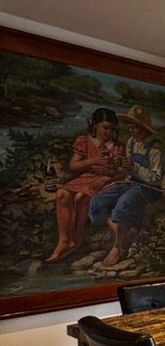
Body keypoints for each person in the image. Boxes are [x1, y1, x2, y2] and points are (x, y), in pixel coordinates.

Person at [89, 105, 165, 267]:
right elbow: (127, 170)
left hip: (149, 188)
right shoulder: (131, 142)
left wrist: (134, 167)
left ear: (144, 128)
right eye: (130, 127)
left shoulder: (155, 148)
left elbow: (156, 179)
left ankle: (117, 248)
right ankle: (124, 233)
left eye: (136, 128)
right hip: (131, 182)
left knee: (124, 203)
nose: (132, 131)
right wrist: (121, 163)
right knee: (98, 201)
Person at [46, 108, 125, 262]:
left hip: (107, 180)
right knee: (62, 194)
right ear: (94, 125)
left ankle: (77, 239)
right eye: (105, 128)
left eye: (112, 129)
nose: (108, 132)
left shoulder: (118, 147)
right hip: (86, 178)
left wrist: (106, 178)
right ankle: (63, 240)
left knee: (81, 197)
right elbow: (73, 165)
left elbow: (123, 173)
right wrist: (93, 160)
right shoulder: (84, 141)